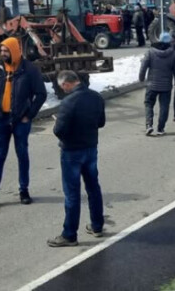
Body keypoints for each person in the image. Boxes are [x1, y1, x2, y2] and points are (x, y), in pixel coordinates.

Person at [0, 37, 48, 212]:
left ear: (14, 51)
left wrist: (29, 115)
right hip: (0, 119)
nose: (2, 54)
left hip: (20, 120)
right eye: (1, 51)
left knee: (22, 155)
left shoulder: (29, 70)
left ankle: (24, 191)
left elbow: (41, 94)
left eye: (6, 51)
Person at [47, 71, 107, 247]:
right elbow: (101, 122)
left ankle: (69, 234)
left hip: (72, 152)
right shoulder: (96, 97)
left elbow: (59, 130)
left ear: (66, 84)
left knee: (72, 194)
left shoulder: (68, 102)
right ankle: (97, 225)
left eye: (61, 86)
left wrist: (58, 122)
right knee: (93, 187)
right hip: (90, 148)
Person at [139, 32, 175, 136]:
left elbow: (144, 65)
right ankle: (161, 128)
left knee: (149, 104)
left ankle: (149, 125)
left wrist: (141, 77)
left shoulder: (151, 52)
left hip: (151, 85)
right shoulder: (174, 54)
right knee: (164, 106)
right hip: (166, 86)